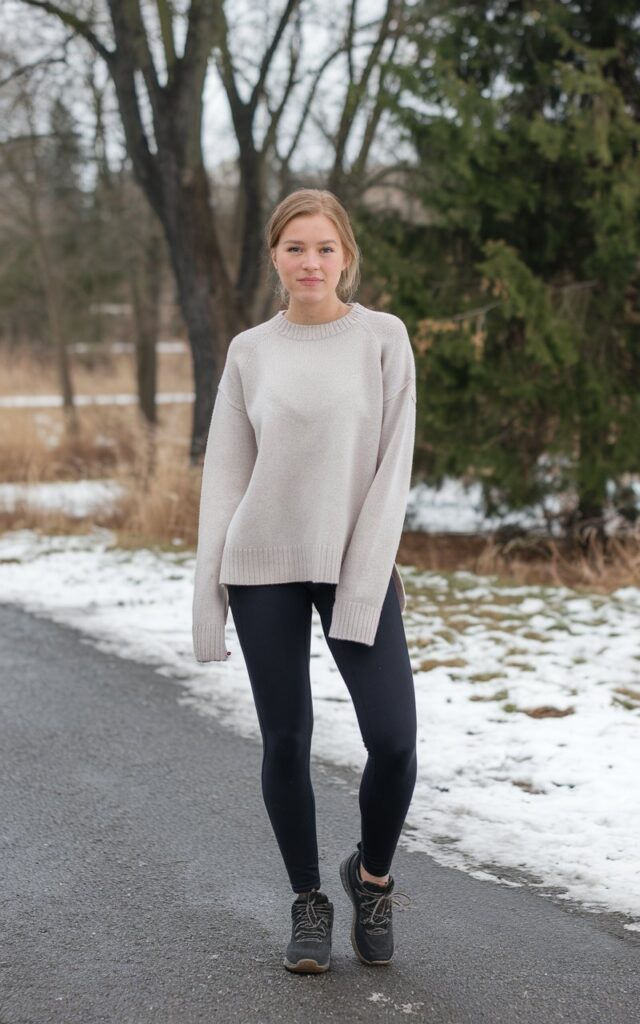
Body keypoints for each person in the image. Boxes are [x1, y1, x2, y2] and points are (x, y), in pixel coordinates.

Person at [192, 188, 417, 974]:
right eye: (296, 248)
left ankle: (371, 878)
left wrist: (365, 579)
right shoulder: (250, 351)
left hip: (355, 561)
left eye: (325, 248)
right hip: (263, 566)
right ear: (275, 258)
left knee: (394, 741)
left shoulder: (383, 339)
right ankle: (308, 901)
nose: (310, 262)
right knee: (287, 738)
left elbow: (392, 471)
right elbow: (226, 476)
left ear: (346, 255)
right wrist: (208, 599)